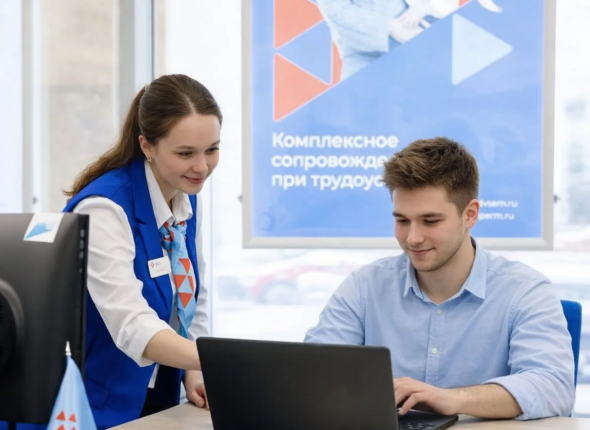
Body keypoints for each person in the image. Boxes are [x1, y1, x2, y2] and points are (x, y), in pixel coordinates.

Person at [305, 137, 575, 420]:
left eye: (430, 221)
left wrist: (453, 399)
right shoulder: (365, 287)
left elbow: (553, 387)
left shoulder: (525, 290)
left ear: (470, 214)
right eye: (402, 220)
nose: (413, 238)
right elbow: (312, 376)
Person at [26, 74, 219, 430]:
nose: (202, 167)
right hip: (90, 406)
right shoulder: (104, 208)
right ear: (147, 146)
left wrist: (194, 371)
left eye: (212, 150)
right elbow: (132, 324)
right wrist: (217, 361)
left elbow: (194, 296)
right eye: (185, 153)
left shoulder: (186, 198)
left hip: (154, 399)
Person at [317, 0, 463, 80]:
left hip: (418, 33)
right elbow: (335, 10)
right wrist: (387, 27)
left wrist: (421, 8)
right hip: (362, 53)